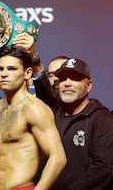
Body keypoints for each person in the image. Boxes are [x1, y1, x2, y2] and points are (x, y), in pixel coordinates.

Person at [0, 45, 67, 190]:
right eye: (0, 69)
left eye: (11, 69)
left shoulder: (34, 109)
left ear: (27, 73)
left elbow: (58, 157)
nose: (4, 74)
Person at [34, 57, 113, 189]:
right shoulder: (52, 114)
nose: (67, 83)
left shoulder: (102, 119)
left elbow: (102, 168)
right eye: (63, 79)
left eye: (75, 78)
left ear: (89, 85)